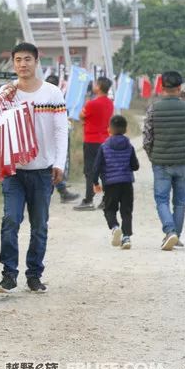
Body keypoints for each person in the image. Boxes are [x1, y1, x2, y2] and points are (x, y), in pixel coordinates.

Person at [0, 42, 68, 294]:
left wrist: (59, 163)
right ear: (13, 63)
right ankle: (8, 274)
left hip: (42, 171)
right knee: (10, 220)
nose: (22, 64)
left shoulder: (52, 93)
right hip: (13, 171)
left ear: (37, 62)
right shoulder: (6, 93)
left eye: (27, 59)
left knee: (39, 226)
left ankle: (34, 274)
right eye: (18, 60)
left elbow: (60, 131)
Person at [143, 71, 185, 251]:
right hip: (183, 162)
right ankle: (175, 234)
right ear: (179, 88)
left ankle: (170, 231)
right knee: (181, 201)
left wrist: (152, 156)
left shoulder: (153, 108)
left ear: (162, 87)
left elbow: (147, 138)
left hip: (160, 162)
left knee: (161, 199)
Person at [92, 115, 140, 249]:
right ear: (125, 130)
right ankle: (126, 238)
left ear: (110, 129)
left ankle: (114, 227)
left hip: (110, 184)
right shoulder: (129, 146)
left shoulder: (104, 146)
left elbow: (96, 166)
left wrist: (95, 182)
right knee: (126, 211)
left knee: (109, 208)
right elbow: (135, 166)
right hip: (126, 183)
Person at [74, 76, 114, 211]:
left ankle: (89, 199)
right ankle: (106, 200)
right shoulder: (110, 103)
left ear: (99, 87)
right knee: (104, 171)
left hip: (91, 141)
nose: (93, 86)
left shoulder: (91, 103)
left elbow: (81, 116)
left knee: (90, 171)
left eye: (96, 84)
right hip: (105, 140)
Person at [44, 74, 79, 203]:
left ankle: (62, 191)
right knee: (52, 165)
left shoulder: (43, 95)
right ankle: (61, 192)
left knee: (51, 165)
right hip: (50, 138)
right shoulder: (54, 97)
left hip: (46, 138)